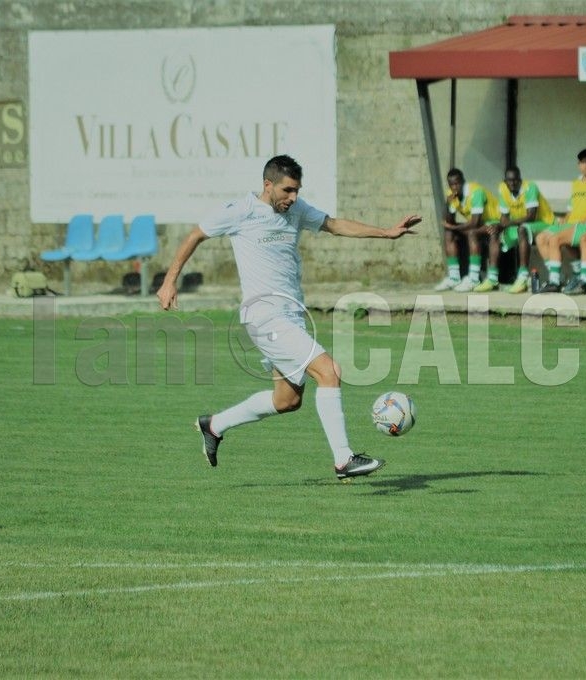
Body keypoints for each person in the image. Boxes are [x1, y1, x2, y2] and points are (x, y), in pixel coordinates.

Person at [156, 155, 420, 480]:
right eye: (287, 190)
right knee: (329, 371)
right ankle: (343, 460)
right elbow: (194, 235)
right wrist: (169, 281)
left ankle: (214, 425)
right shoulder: (241, 212)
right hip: (265, 316)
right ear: (268, 185)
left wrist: (386, 232)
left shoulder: (295, 210)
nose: (293, 198)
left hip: (292, 316)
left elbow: (334, 225)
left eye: (296, 191)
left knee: (287, 400)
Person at [537, 148, 586, 293]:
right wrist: (564, 220)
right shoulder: (576, 183)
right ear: (578, 164)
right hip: (571, 222)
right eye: (582, 163)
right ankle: (558, 277)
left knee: (555, 240)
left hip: (584, 224)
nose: (585, 166)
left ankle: (560, 280)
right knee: (541, 238)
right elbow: (571, 208)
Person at [482, 166, 555, 293]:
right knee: (494, 230)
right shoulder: (502, 189)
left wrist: (504, 224)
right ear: (505, 181)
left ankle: (522, 277)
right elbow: (504, 218)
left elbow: (531, 216)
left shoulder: (530, 187)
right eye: (509, 180)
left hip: (543, 223)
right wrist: (500, 226)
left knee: (522, 230)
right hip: (519, 224)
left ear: (520, 180)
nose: (512, 183)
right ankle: (492, 277)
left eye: (515, 180)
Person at [434, 168, 502, 292]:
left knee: (471, 232)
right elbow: (448, 221)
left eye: (457, 183)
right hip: (479, 224)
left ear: (463, 181)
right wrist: (448, 204)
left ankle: (474, 278)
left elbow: (475, 222)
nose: (455, 187)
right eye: (451, 184)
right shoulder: (451, 194)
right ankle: (454, 277)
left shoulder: (476, 192)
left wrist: (454, 227)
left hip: (495, 222)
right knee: (449, 233)